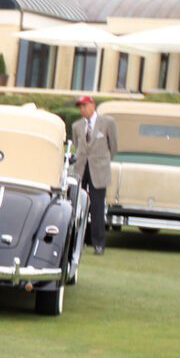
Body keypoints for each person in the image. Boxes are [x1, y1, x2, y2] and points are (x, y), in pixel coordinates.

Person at [70, 94, 117, 255]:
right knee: (78, 206)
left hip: (99, 170)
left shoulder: (107, 123)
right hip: (81, 170)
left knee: (97, 207)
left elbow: (114, 146)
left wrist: (103, 161)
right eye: (80, 107)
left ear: (92, 105)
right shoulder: (77, 126)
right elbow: (77, 145)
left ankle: (98, 243)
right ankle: (77, 241)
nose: (82, 110)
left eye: (85, 106)